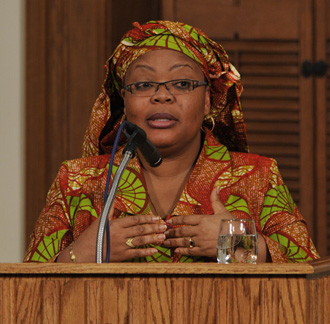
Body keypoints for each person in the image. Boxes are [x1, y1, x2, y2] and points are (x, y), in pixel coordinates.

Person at [24, 20, 319, 263]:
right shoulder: (76, 181)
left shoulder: (258, 177)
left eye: (182, 84)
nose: (162, 95)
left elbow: (311, 276)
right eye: (143, 84)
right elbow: (25, 295)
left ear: (207, 101)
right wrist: (85, 252)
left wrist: (242, 242)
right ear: (124, 102)